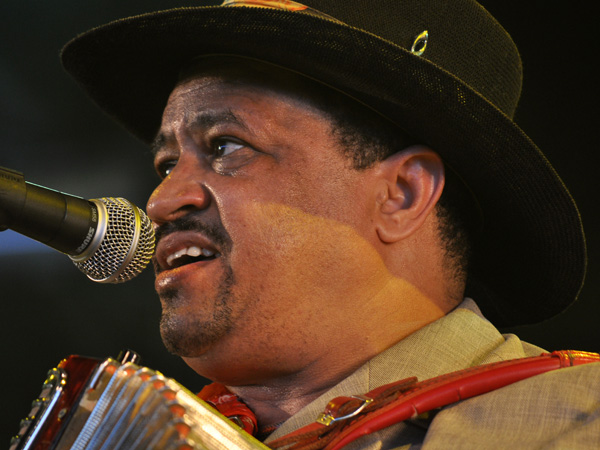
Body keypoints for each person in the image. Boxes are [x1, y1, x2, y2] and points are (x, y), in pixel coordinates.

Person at [60, 0, 599, 447]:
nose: (159, 201)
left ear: (402, 194)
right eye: (167, 163)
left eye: (226, 145)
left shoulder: (577, 422)